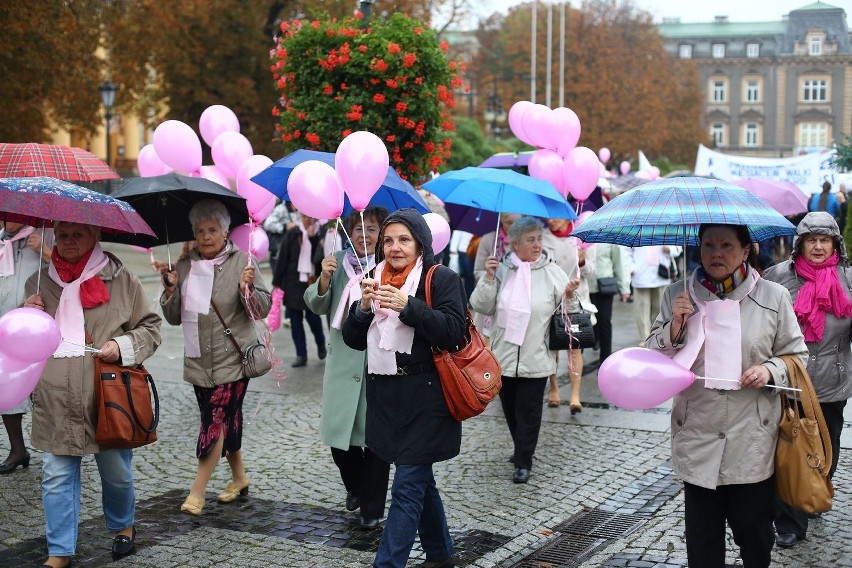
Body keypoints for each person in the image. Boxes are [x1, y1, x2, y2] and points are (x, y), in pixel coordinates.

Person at [647, 223, 807, 568]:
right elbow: (653, 358)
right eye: (708, 245)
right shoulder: (679, 293)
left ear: (746, 249)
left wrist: (769, 371)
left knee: (755, 536)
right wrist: (675, 325)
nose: (715, 253)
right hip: (698, 433)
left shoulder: (773, 297)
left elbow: (797, 355)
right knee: (702, 544)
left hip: (752, 436)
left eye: (726, 245)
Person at [24, 222, 162, 567]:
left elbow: (151, 328)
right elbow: (21, 341)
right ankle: (59, 550)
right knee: (56, 475)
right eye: (63, 235)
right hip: (56, 395)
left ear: (95, 236)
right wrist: (27, 314)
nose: (68, 241)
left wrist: (122, 344)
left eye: (78, 234)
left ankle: (122, 525)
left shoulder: (122, 279)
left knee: (116, 473)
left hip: (108, 394)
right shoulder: (38, 283)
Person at [341, 208, 466, 568]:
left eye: (404, 240)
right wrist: (363, 309)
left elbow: (453, 331)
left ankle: (387, 564)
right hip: (384, 395)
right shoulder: (372, 278)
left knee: (406, 487)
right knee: (419, 482)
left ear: (420, 243)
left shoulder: (440, 279)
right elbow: (352, 339)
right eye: (389, 240)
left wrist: (409, 307)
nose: (395, 247)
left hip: (428, 396)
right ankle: (441, 555)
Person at [160, 199, 271, 517]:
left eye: (212, 230)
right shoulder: (183, 266)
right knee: (226, 422)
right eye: (199, 231)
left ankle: (197, 491)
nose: (206, 236)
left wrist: (247, 290)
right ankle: (239, 478)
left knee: (213, 424)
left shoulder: (242, 263)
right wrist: (169, 292)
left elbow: (260, 310)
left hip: (234, 360)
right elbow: (173, 318)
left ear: (224, 232)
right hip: (198, 360)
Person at [764, 212, 852, 548]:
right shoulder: (778, 277)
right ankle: (790, 519)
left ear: (834, 243)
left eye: (824, 239)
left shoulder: (847, 279)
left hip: (833, 380)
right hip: (790, 378)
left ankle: (816, 486)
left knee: (827, 444)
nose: (817, 246)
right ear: (799, 244)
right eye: (811, 240)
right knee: (792, 445)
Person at [470, 217, 580, 484]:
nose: (537, 244)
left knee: (529, 410)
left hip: (536, 354)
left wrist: (569, 295)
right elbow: (481, 306)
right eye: (531, 240)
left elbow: (571, 312)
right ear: (515, 243)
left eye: (539, 239)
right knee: (509, 408)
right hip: (504, 356)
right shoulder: (502, 269)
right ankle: (521, 446)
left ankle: (523, 461)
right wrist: (488, 277)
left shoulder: (552, 270)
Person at [304, 206, 391, 530]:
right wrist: (324, 278)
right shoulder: (338, 262)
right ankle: (356, 488)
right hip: (342, 362)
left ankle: (371, 507)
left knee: (376, 443)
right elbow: (315, 303)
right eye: (358, 228)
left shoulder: (388, 266)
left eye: (371, 228)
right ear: (348, 232)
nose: (364, 234)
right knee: (340, 441)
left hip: (379, 364)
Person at [0, 223, 50, 474]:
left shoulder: (45, 232)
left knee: (48, 390)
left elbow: (68, 270)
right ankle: (18, 449)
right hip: (6, 328)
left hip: (39, 327)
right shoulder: (1, 242)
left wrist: (44, 249)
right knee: (6, 385)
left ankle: (60, 449)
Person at [541, 217, 596, 413]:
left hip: (576, 300)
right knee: (552, 345)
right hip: (551, 299)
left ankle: (575, 395)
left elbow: (591, 271)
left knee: (575, 347)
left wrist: (582, 261)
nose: (550, 220)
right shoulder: (543, 236)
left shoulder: (582, 236)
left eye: (555, 216)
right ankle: (554, 387)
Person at [272, 212, 326, 367]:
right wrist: (277, 283)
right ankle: (301, 354)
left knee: (313, 319)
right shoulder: (293, 233)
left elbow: (320, 259)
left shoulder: (322, 233)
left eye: (310, 216)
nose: (307, 220)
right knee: (295, 322)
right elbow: (282, 258)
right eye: (304, 216)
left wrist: (313, 239)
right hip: (292, 283)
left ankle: (321, 343)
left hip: (311, 282)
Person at [626, 244, 681, 344]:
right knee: (642, 311)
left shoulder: (665, 228)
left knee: (661, 310)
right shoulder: (636, 228)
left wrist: (670, 249)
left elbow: (678, 247)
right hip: (641, 274)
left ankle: (658, 337)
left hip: (661, 274)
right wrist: (631, 267)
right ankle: (645, 338)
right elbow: (626, 250)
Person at [587, 242, 630, 364]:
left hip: (605, 286)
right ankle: (595, 338)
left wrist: (624, 288)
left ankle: (605, 360)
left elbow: (618, 264)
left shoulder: (608, 240)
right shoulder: (583, 239)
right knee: (589, 322)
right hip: (586, 287)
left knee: (604, 322)